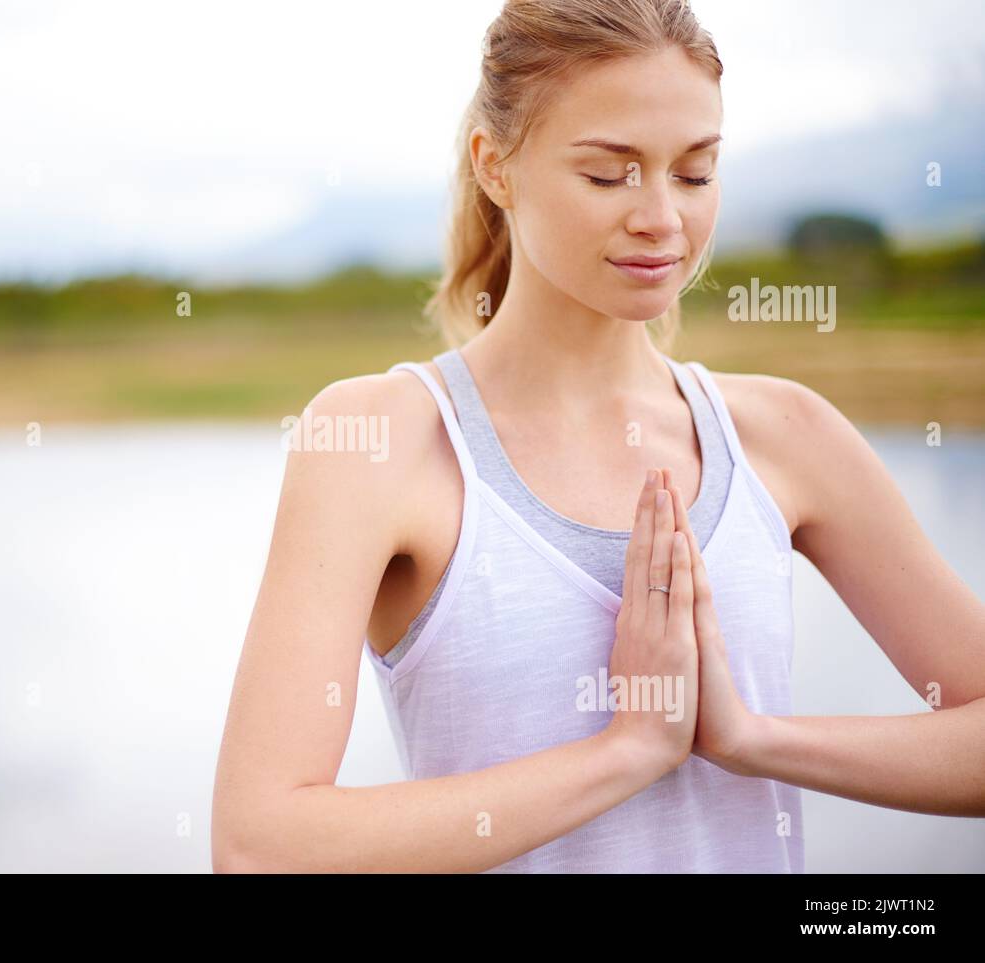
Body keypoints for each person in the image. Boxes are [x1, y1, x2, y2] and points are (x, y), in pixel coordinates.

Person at [211, 0, 985, 873]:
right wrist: (626, 751)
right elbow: (259, 844)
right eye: (610, 173)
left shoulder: (786, 432)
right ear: (496, 167)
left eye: (694, 174)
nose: (662, 218)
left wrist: (751, 738)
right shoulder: (377, 442)